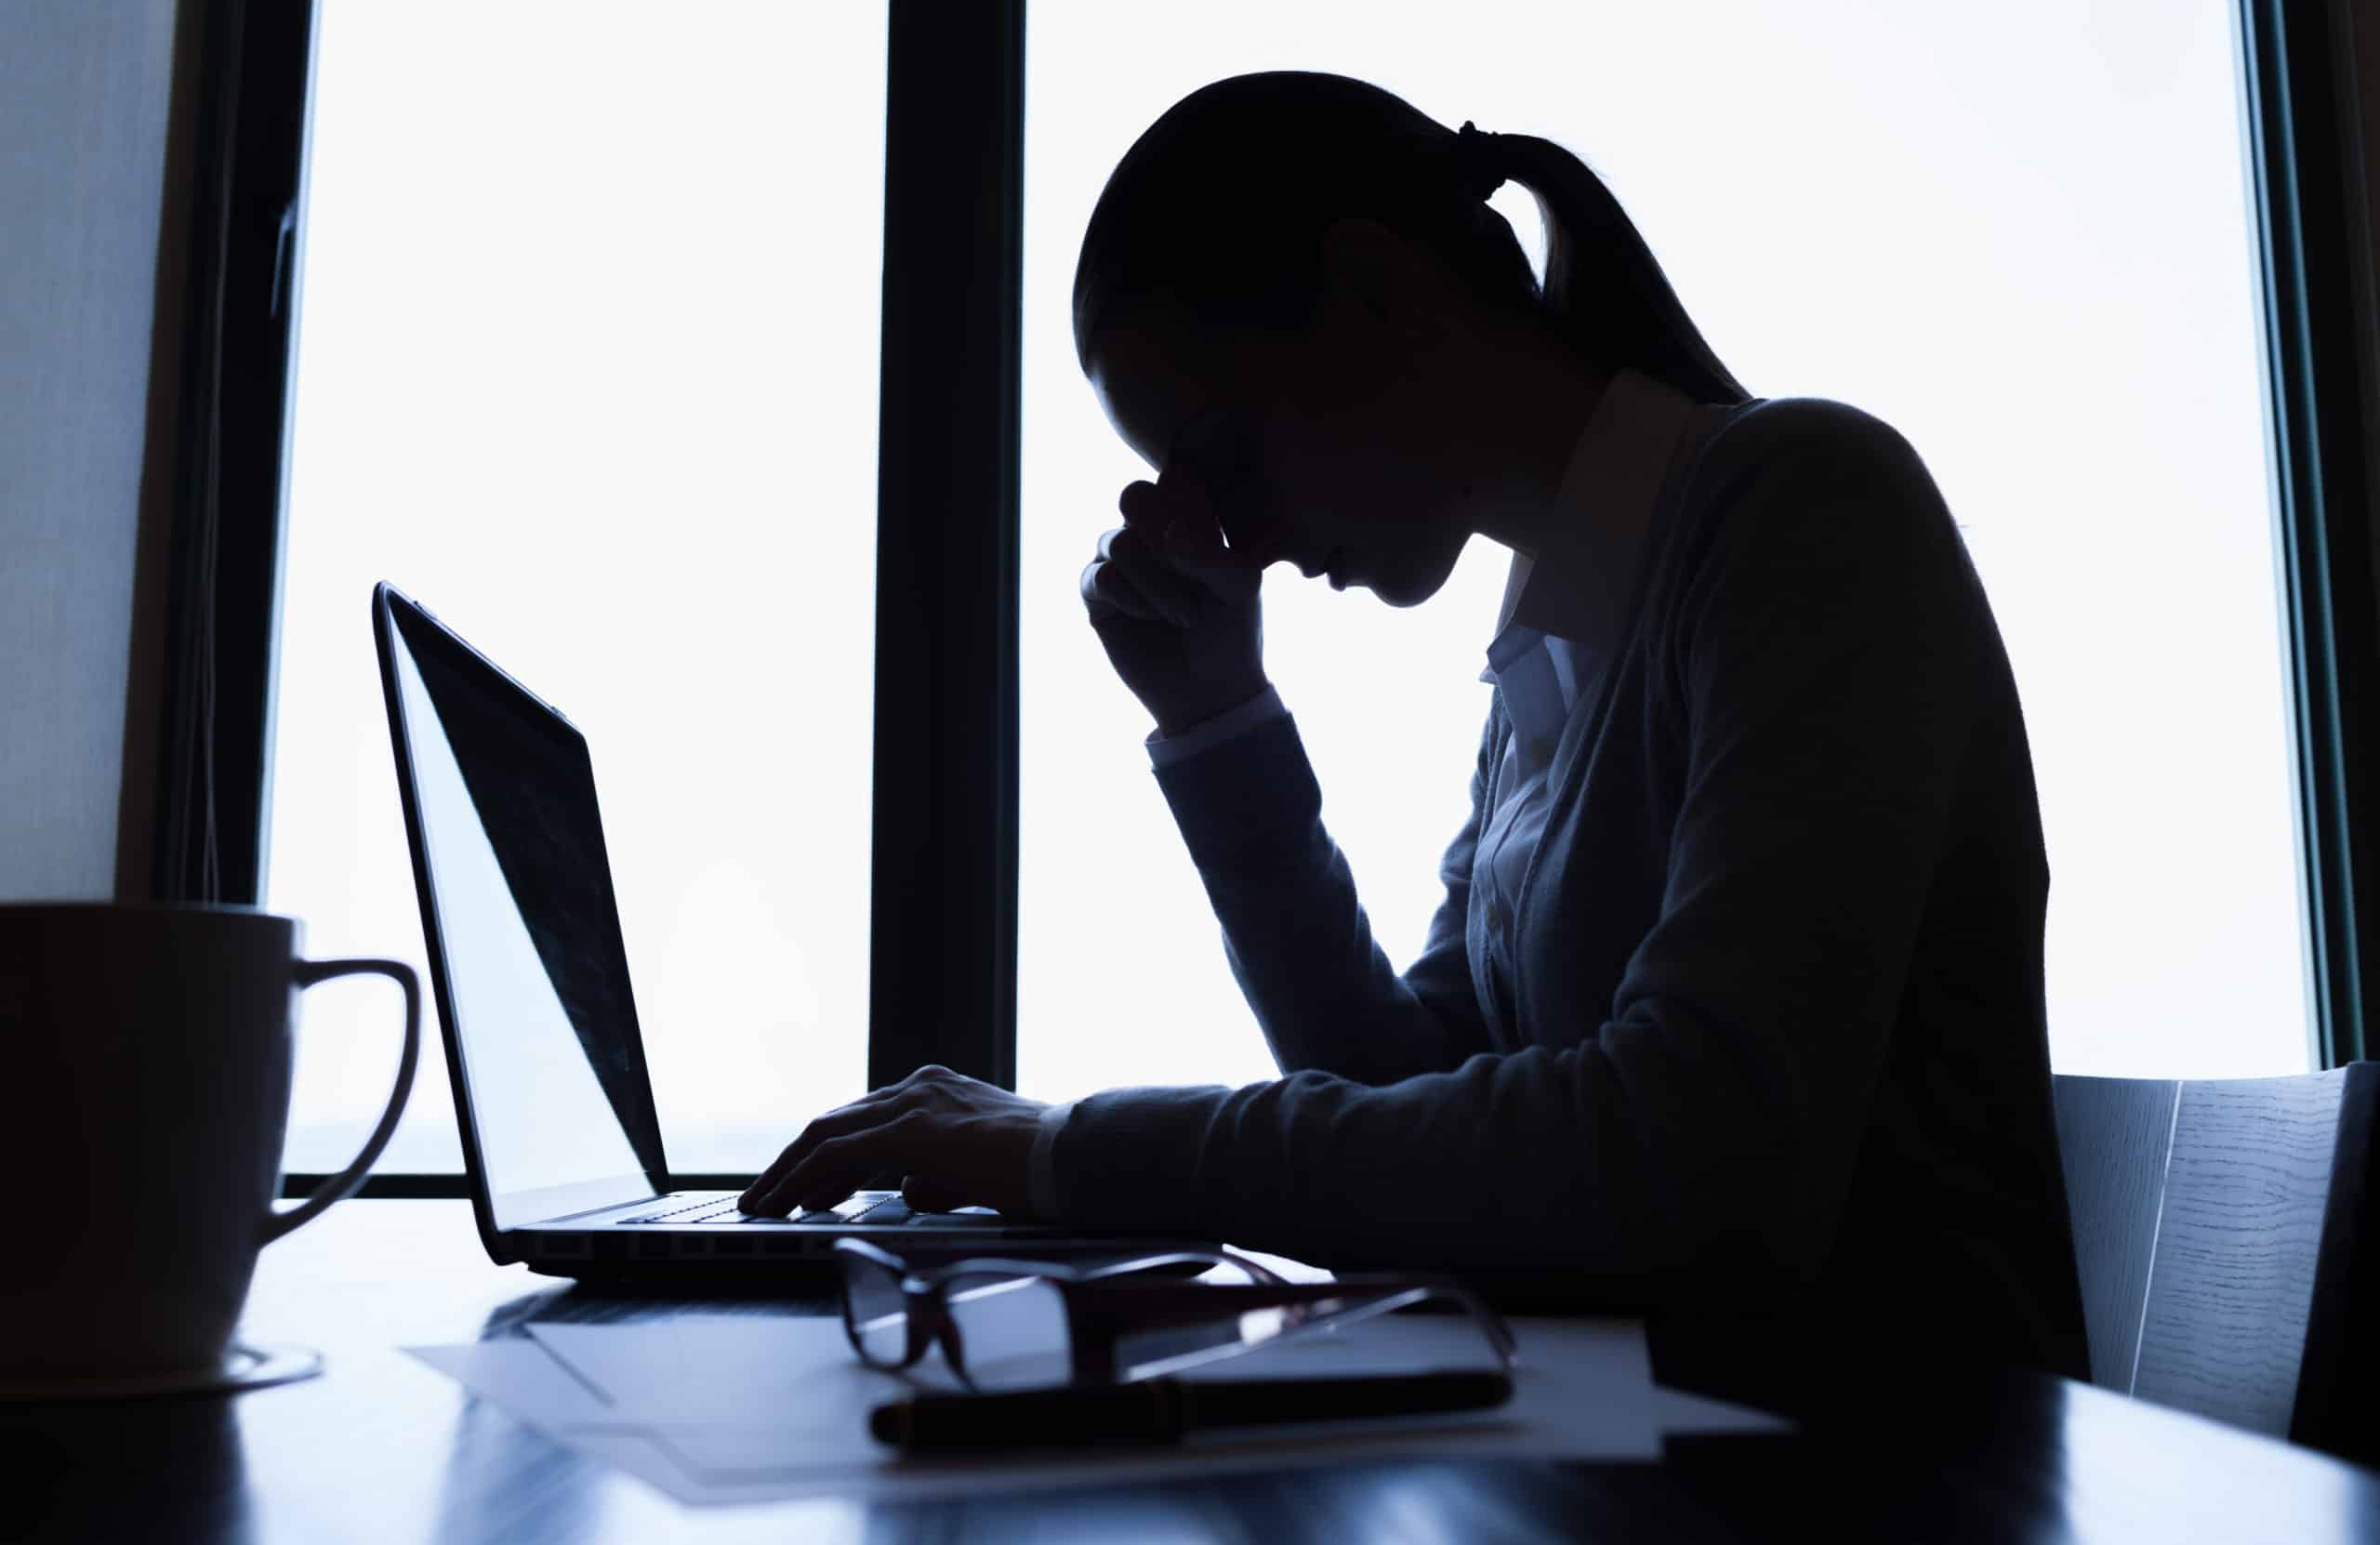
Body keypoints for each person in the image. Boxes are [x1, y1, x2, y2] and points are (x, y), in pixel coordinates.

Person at [743, 72, 2092, 1404]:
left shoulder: (1807, 514)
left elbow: (1692, 1164)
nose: (1242, 543)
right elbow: (1420, 1100)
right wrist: (1219, 727)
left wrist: (1068, 1151)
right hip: (1679, 1454)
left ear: (1380, 293)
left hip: (1892, 1479)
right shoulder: (1549, 655)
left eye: (1228, 466)